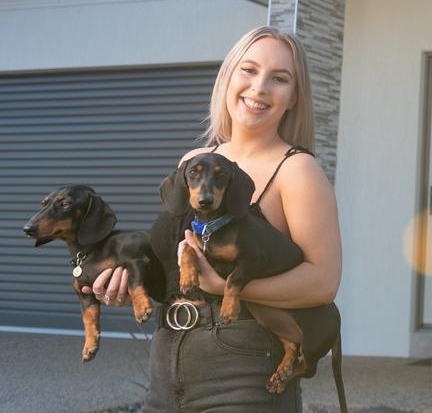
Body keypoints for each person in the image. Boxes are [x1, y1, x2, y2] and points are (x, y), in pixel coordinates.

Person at [86, 26, 342, 412]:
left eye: (279, 78)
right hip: (166, 364)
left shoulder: (298, 170)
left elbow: (322, 283)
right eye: (249, 70)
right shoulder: (195, 163)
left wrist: (225, 287)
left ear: (293, 97)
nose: (259, 88)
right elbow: (176, 274)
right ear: (227, 78)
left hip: (244, 373)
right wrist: (127, 287)